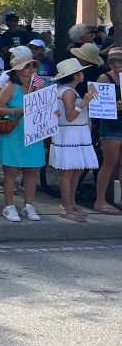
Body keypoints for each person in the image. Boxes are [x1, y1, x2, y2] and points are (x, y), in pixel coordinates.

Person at [0, 50, 46, 222]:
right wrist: (18, 110)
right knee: (11, 172)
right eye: (27, 66)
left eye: (32, 65)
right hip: (15, 133)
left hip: (33, 133)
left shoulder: (38, 86)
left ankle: (28, 205)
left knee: (32, 171)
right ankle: (9, 206)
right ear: (17, 70)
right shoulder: (11, 87)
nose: (31, 68)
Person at [49, 58, 99, 222]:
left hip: (75, 133)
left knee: (76, 169)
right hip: (71, 133)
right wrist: (84, 102)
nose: (83, 74)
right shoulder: (68, 92)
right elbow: (70, 116)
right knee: (69, 171)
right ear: (76, 75)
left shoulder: (65, 89)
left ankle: (71, 202)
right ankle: (66, 205)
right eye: (81, 72)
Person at [92, 48, 122, 215]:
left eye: (119, 60)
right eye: (112, 61)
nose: (116, 64)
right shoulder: (105, 77)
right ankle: (100, 200)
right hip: (111, 125)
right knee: (110, 162)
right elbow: (95, 104)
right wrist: (114, 105)